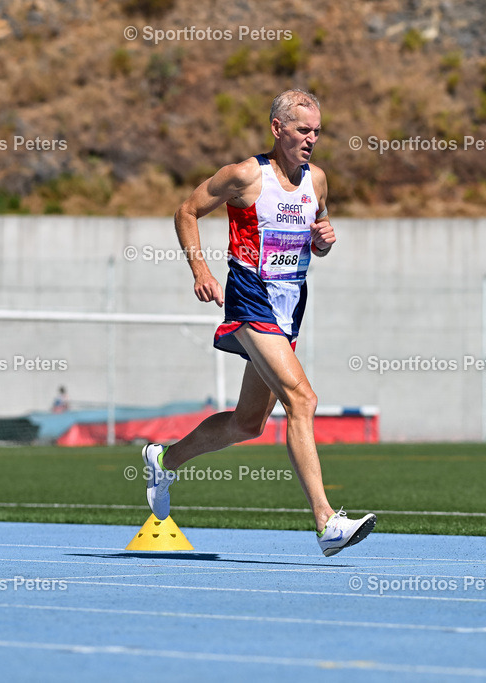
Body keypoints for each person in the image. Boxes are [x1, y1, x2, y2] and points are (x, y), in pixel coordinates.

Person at [141, 89, 376, 557]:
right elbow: (186, 211)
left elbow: (318, 239)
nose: (312, 139)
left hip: (290, 307)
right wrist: (201, 270)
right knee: (303, 399)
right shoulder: (246, 176)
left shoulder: (318, 181)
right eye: (303, 130)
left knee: (248, 424)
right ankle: (327, 521)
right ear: (277, 128)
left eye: (317, 132)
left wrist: (324, 241)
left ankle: (164, 459)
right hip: (250, 299)